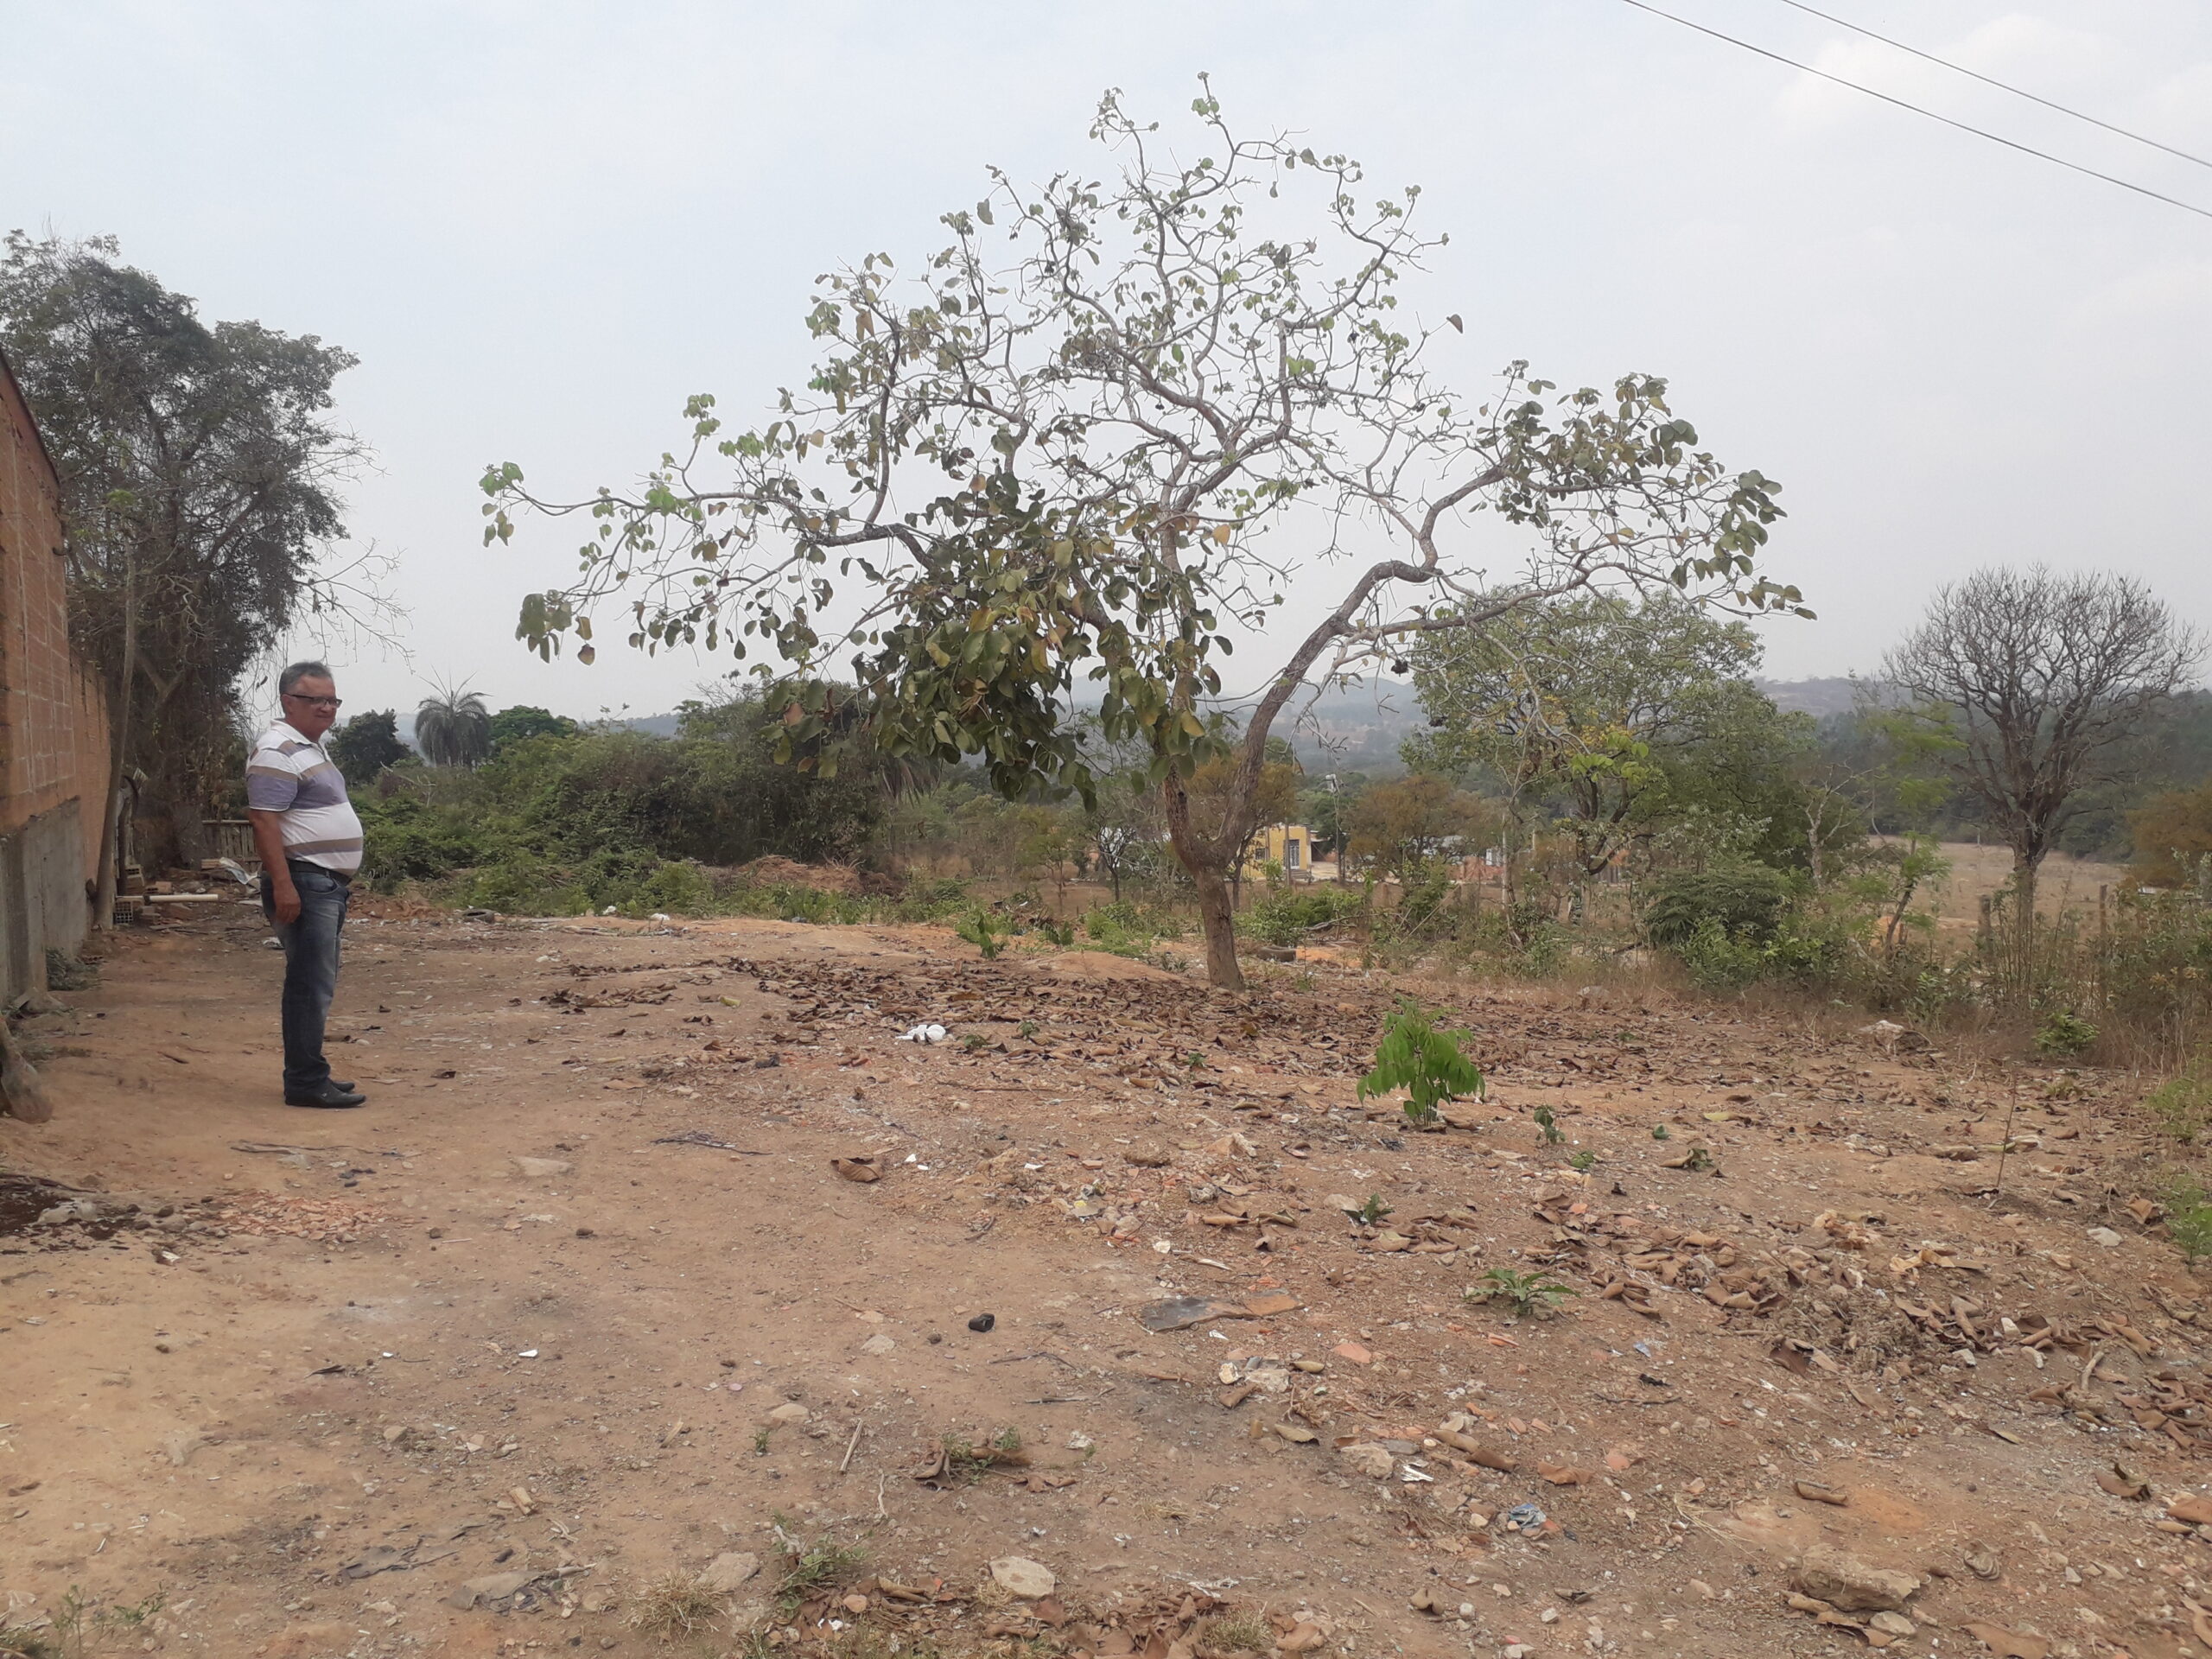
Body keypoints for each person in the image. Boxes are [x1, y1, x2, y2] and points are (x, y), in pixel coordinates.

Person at [245, 662, 367, 1109]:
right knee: (309, 984)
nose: (326, 708)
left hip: (323, 883)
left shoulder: (311, 748)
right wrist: (284, 886)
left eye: (332, 700)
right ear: (288, 701)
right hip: (304, 880)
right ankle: (304, 1083)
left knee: (317, 981)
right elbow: (263, 820)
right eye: (315, 699)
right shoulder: (276, 749)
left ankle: (312, 1072)